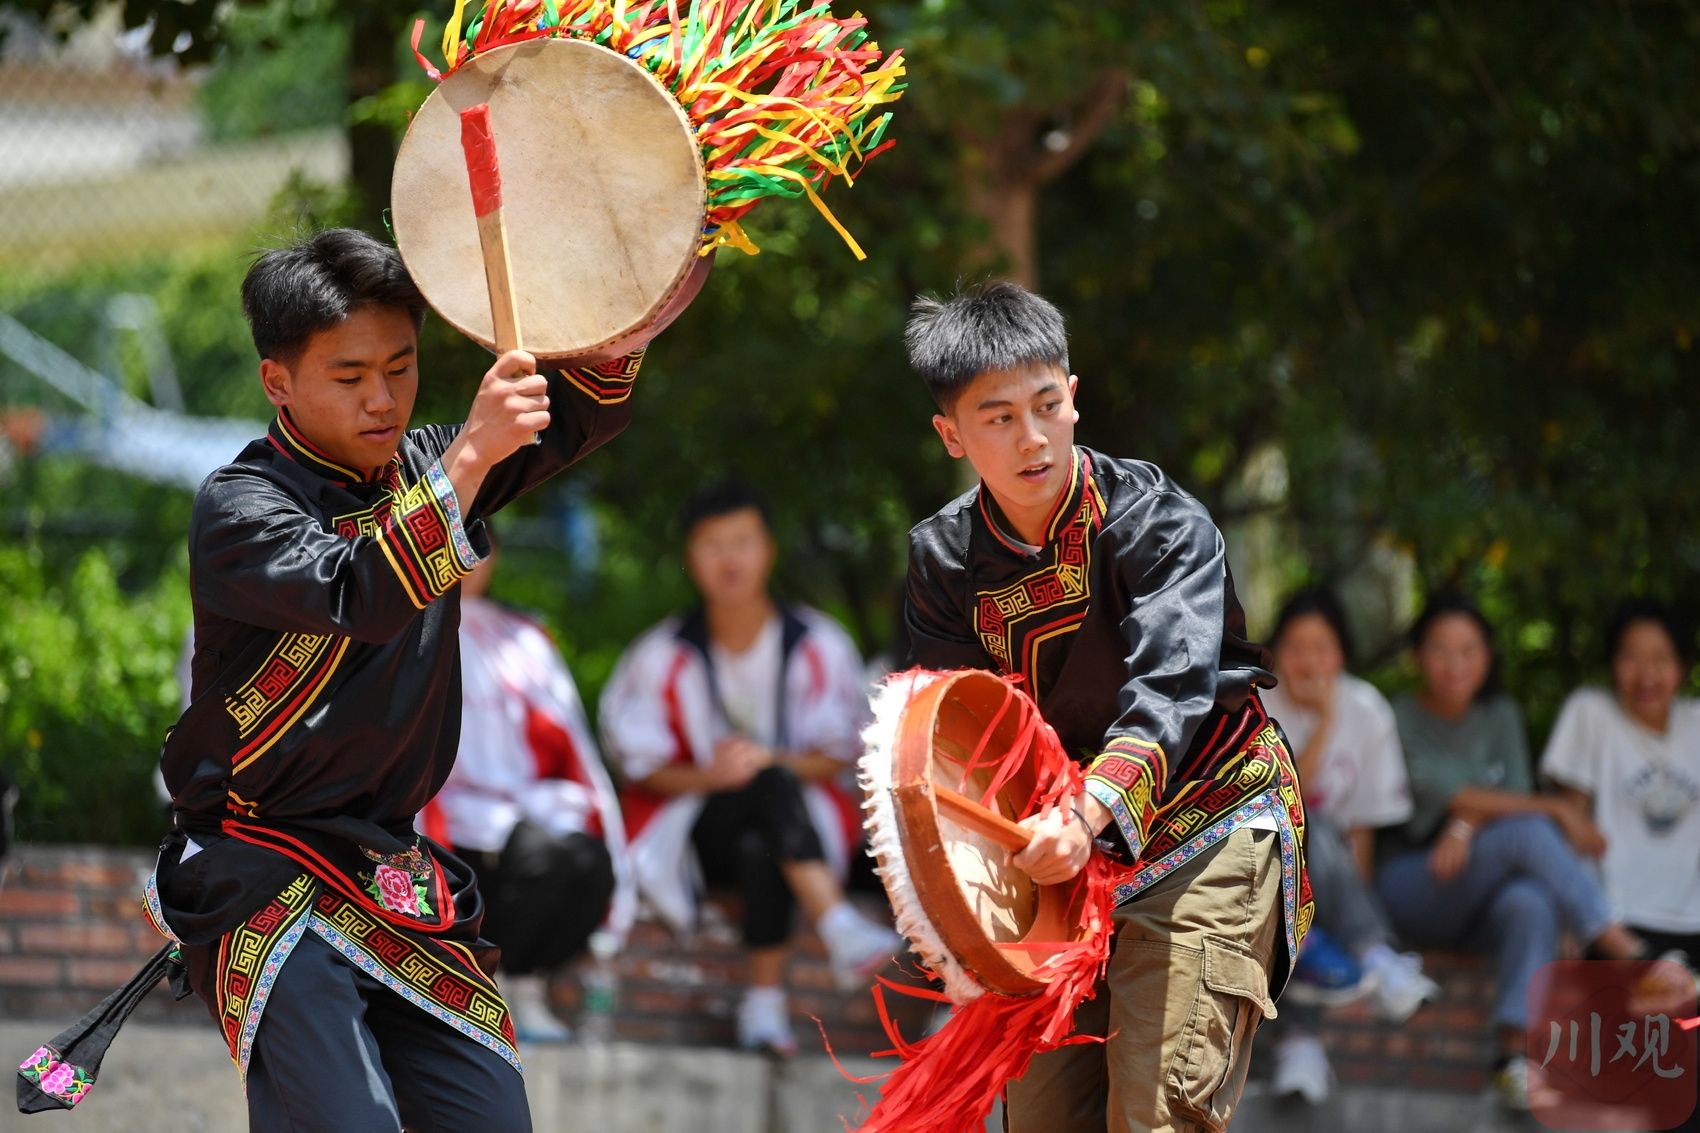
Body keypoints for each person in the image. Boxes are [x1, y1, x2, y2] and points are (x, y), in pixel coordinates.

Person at [133, 228, 647, 1131]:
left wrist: (639, 279)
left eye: (402, 368)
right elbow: (358, 589)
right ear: (277, 381)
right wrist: (466, 462)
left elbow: (576, 412)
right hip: (262, 872)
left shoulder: (438, 467)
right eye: (350, 375)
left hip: (394, 874)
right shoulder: (240, 505)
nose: (384, 398)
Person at [900, 281, 1311, 1133]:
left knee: (1156, 1117)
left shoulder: (1160, 523)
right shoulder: (943, 562)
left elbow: (1169, 689)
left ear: (1075, 398)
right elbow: (960, 738)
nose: (1032, 436)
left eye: (1048, 404)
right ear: (951, 435)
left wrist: (1086, 814)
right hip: (1058, 860)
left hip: (1208, 824)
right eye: (999, 416)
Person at [599, 482, 902, 1057]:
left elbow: (845, 749)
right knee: (764, 789)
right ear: (691, 557)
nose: (729, 559)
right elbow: (639, 765)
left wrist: (770, 764)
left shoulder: (818, 643)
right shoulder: (661, 652)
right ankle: (835, 921)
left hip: (793, 824)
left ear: (768, 549)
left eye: (742, 541)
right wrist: (715, 777)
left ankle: (762, 1007)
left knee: (763, 835)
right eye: (712, 545)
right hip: (699, 822)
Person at [1375, 592, 1683, 1110]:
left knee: (1530, 902)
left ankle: (1513, 1059)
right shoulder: (1399, 716)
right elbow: (1448, 794)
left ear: (1488, 657)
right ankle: (1625, 949)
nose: (1455, 664)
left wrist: (1468, 823)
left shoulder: (1501, 717)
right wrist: (1554, 809)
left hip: (1478, 887)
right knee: (1530, 832)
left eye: (1468, 650)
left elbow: (1501, 806)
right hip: (1412, 882)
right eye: (1441, 650)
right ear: (1418, 656)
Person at [417, 538, 630, 1042]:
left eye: (480, 547)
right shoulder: (397, 624)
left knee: (590, 864)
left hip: (521, 804)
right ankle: (487, 985)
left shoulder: (523, 637)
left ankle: (525, 982)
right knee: (542, 858)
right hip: (444, 809)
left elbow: (565, 734)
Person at [1258, 587, 1438, 1104]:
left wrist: (1342, 907)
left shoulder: (1368, 709)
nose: (1310, 661)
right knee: (1303, 822)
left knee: (1317, 868)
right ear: (1276, 652)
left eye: (1323, 647)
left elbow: (1363, 829)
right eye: (1296, 646)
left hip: (1328, 882)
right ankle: (1375, 955)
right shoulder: (1261, 701)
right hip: (1267, 861)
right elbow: (1285, 797)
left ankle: (1302, 1044)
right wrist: (1325, 721)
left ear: (1342, 654)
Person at [1540, 599, 1700, 958]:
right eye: (1631, 658)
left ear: (1682, 667)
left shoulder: (1696, 723)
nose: (1646, 676)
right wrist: (1569, 920)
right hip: (1618, 920)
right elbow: (1571, 825)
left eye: (1661, 660)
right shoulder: (1591, 713)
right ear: (1613, 663)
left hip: (1693, 918)